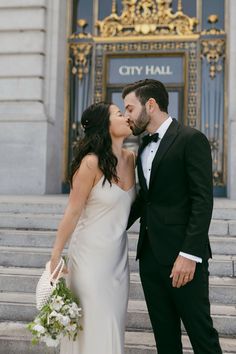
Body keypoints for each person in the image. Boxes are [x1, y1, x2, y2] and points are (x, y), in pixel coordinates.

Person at [123, 79, 222, 354]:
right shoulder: (142, 147)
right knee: (165, 341)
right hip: (150, 258)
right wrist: (111, 225)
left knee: (202, 336)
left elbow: (202, 201)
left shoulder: (191, 139)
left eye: (130, 109)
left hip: (183, 258)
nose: (127, 116)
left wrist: (189, 254)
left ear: (150, 105)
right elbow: (146, 199)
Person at [50, 102, 136, 354]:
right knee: (95, 324)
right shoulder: (90, 163)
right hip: (89, 258)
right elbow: (73, 211)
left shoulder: (131, 159)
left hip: (118, 260)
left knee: (113, 324)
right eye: (119, 114)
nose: (126, 117)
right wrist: (56, 254)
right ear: (105, 125)